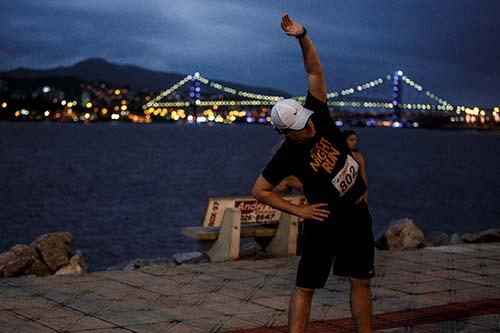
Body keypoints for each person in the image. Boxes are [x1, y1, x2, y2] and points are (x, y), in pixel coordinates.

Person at [251, 13, 375, 333]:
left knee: (361, 281)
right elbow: (260, 190)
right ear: (284, 131)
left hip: (358, 213)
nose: (308, 126)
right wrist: (299, 211)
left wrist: (302, 35)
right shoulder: (287, 156)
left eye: (305, 119)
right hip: (324, 220)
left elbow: (314, 70)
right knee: (306, 287)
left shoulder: (316, 113)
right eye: (298, 126)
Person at [343, 130, 368, 203]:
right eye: (351, 140)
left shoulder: (358, 157)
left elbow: (363, 179)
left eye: (355, 140)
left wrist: (365, 200)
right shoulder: (338, 156)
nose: (355, 143)